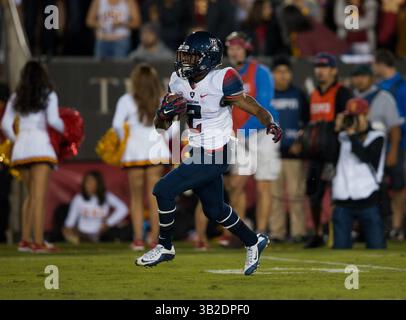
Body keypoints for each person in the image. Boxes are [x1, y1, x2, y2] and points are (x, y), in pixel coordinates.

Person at [135, 31, 282, 275]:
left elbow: (252, 105)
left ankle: (165, 246)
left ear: (207, 58)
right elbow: (160, 126)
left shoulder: (223, 78)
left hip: (219, 151)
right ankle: (253, 241)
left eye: (191, 57)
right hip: (197, 149)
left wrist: (270, 122)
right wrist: (164, 114)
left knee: (163, 189)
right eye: (184, 56)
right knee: (215, 210)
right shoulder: (177, 80)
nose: (185, 62)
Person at [1, 61, 65, 253]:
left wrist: (16, 139)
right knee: (39, 197)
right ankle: (38, 243)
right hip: (40, 147)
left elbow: (5, 124)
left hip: (21, 150)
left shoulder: (16, 97)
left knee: (30, 196)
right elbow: (54, 121)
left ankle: (24, 241)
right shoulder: (49, 94)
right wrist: (67, 130)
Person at [222, 31, 280, 242]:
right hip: (240, 135)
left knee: (263, 185)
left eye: (238, 47)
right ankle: (241, 233)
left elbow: (264, 107)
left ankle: (261, 232)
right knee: (236, 186)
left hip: (262, 135)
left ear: (247, 49)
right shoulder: (226, 75)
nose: (234, 51)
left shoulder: (261, 72)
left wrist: (239, 132)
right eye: (231, 48)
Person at [112, 63, 171, 250]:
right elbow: (172, 127)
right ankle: (154, 239)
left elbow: (116, 125)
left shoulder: (126, 100)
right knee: (154, 197)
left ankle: (138, 239)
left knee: (136, 198)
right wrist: (163, 138)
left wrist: (127, 140)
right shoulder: (162, 100)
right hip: (156, 150)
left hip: (134, 152)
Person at [304, 52, 353, 248]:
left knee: (337, 195)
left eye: (324, 67)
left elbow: (348, 122)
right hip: (317, 153)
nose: (320, 71)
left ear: (334, 71)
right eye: (318, 67)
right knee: (313, 194)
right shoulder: (314, 94)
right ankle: (317, 233)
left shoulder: (342, 92)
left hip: (336, 153)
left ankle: (337, 234)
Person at [332, 98, 386, 249]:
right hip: (343, 200)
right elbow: (327, 155)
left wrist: (353, 135)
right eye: (351, 117)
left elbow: (365, 156)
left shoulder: (377, 136)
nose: (353, 120)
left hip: (368, 198)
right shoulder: (340, 137)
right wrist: (336, 128)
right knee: (340, 249)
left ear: (366, 115)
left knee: (377, 248)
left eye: (357, 116)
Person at [270, 55, 309, 242]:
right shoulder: (266, 94)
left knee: (296, 194)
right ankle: (276, 233)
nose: (283, 76)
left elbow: (308, 122)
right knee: (274, 195)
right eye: (279, 72)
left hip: (294, 152)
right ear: (272, 74)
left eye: (286, 72)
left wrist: (300, 142)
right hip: (271, 153)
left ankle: (298, 232)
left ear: (291, 75)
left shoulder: (299, 94)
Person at [373, 49, 406, 240]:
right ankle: (385, 225)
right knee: (379, 186)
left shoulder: (401, 87)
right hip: (378, 146)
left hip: (399, 144)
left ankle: (397, 226)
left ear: (379, 64)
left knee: (399, 187)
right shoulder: (378, 87)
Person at [63, 171, 128, 243]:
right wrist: (68, 229)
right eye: (87, 182)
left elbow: (123, 209)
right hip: (82, 233)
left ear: (98, 184)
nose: (89, 184)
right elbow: (70, 221)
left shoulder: (106, 196)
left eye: (92, 182)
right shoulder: (79, 198)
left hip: (101, 234)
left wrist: (108, 223)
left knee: (120, 230)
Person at [282, 4, 348, 57]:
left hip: (337, 58)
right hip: (344, 49)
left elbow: (308, 59)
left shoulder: (301, 37)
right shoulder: (312, 22)